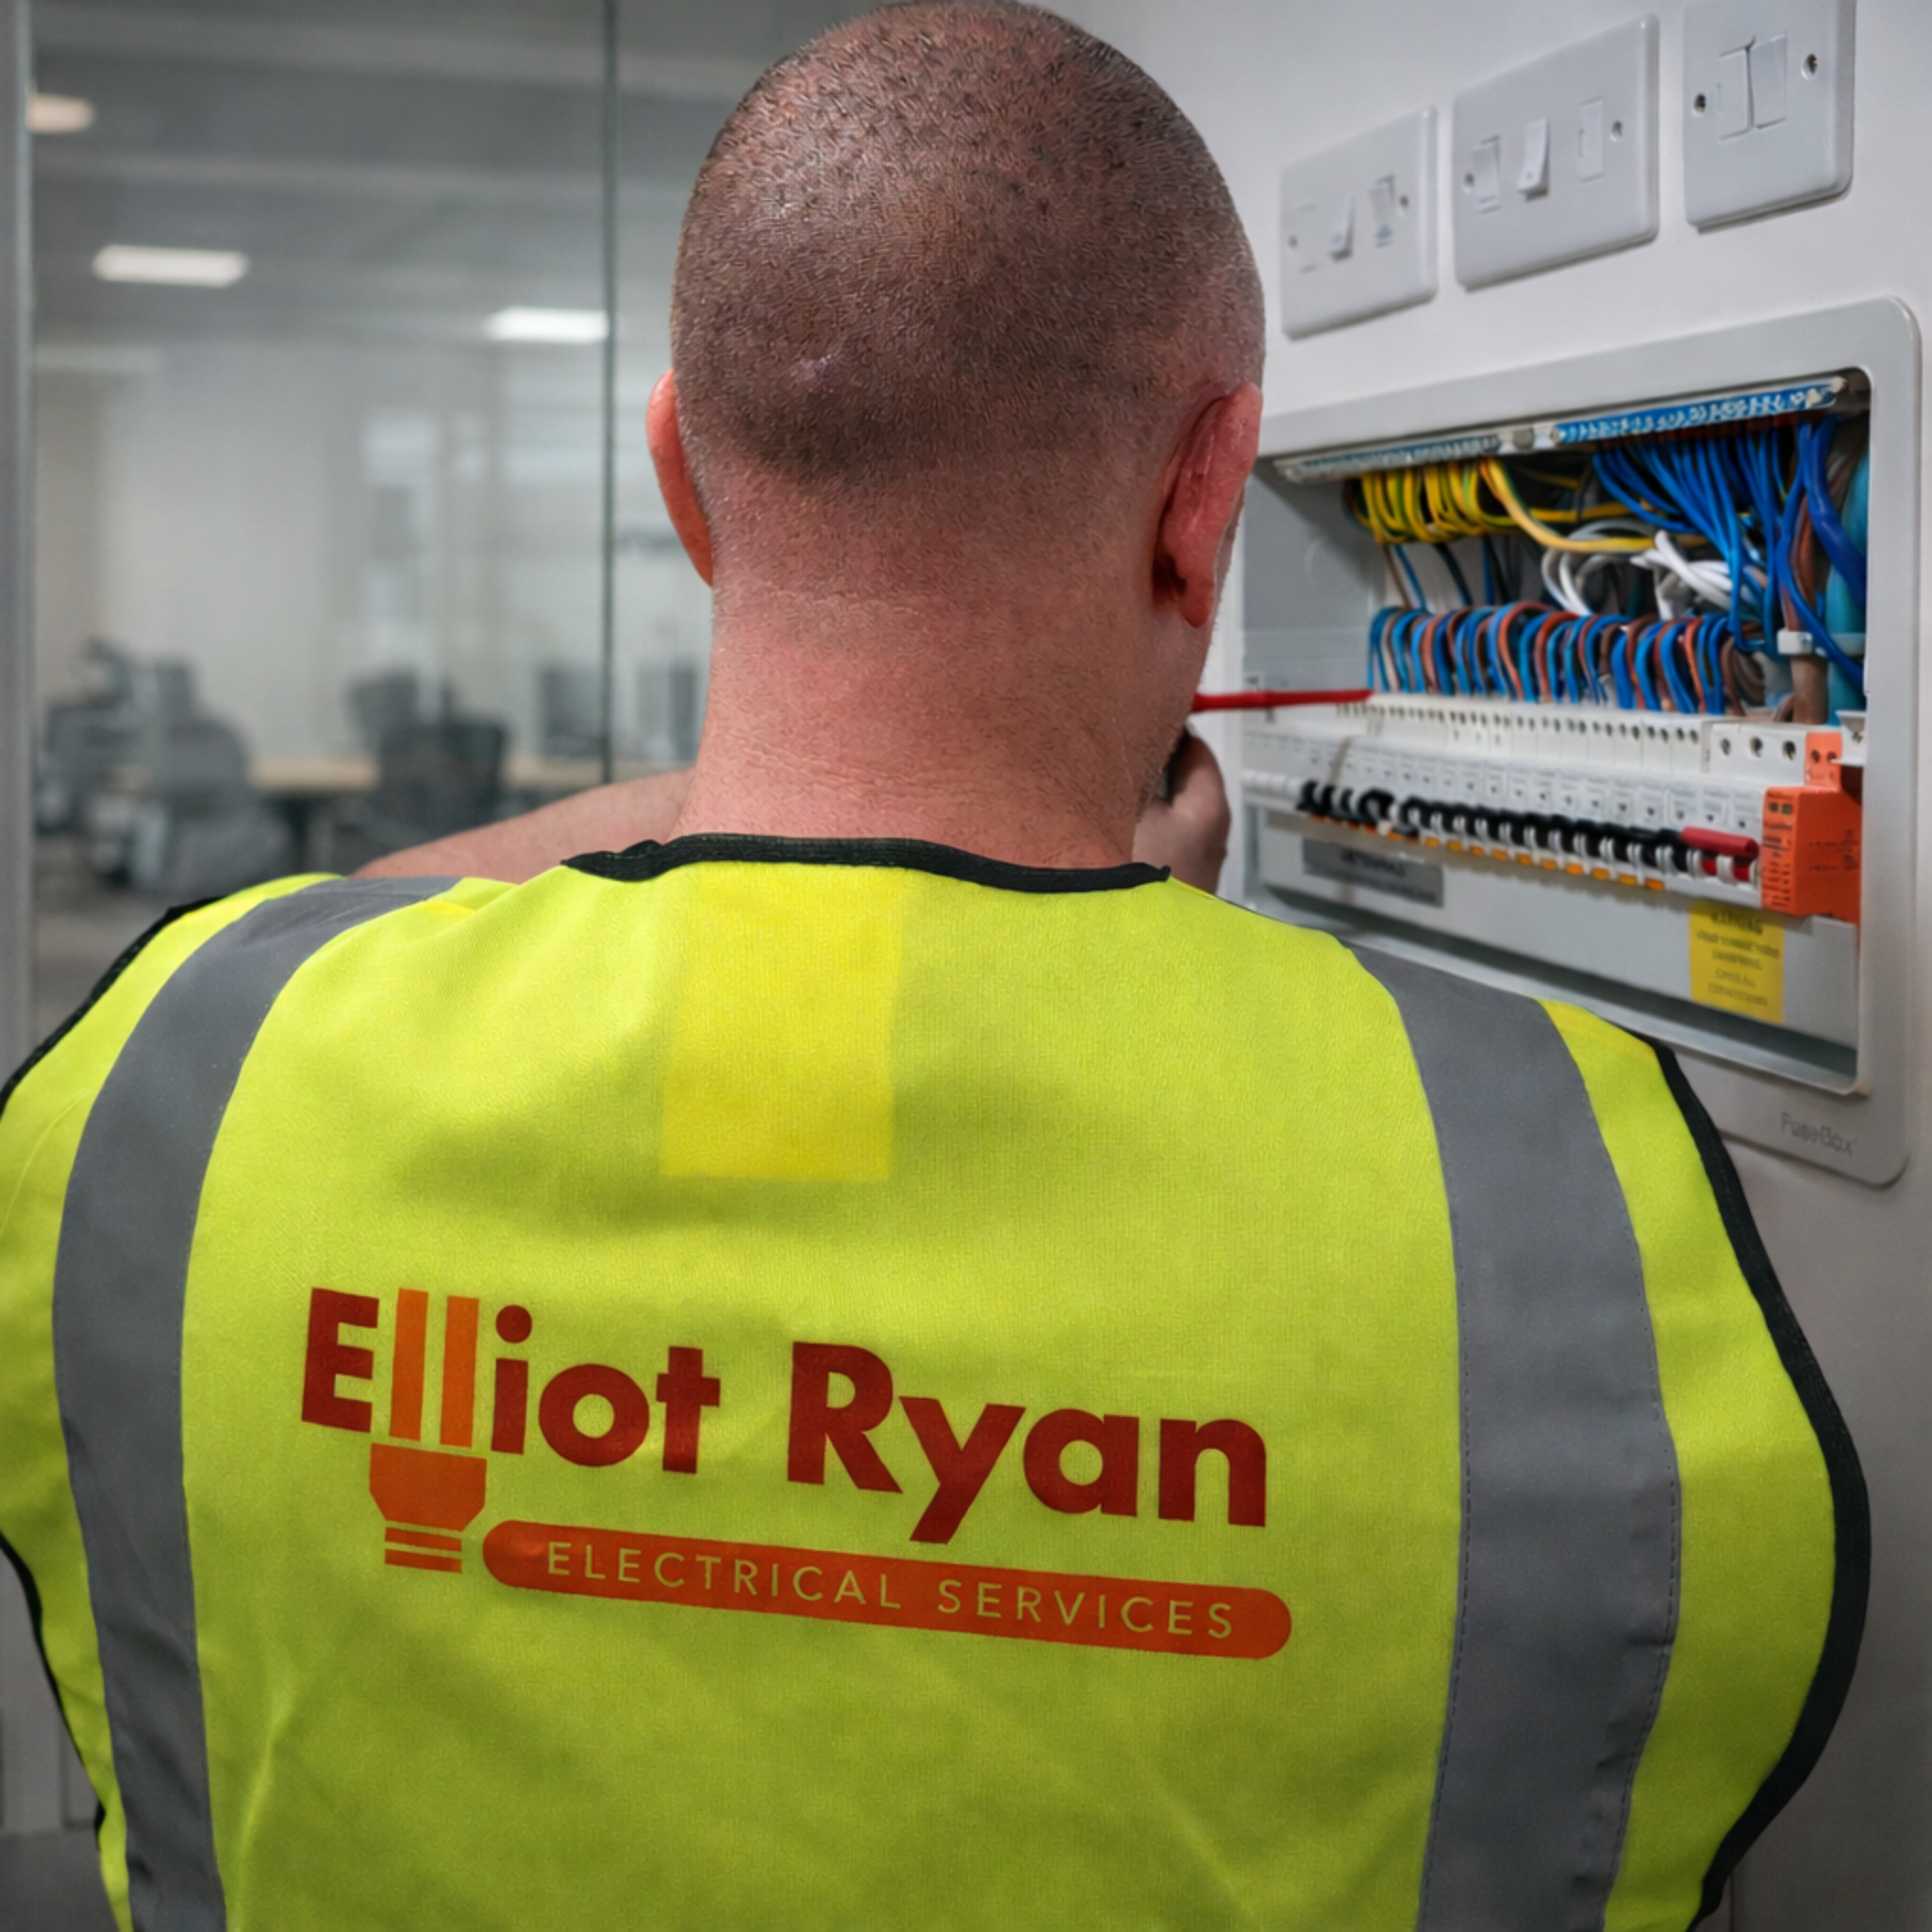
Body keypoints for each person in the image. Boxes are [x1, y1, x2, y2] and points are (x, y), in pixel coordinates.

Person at [0, 8, 1864, 1930]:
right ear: (1204, 489)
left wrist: (740, 803)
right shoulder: (1559, 1183)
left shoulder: (170, 1088)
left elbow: (311, 933)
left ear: (681, 480)